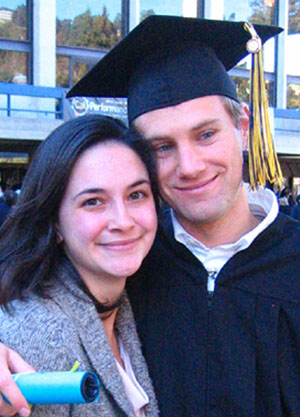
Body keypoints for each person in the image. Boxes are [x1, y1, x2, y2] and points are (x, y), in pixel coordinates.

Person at [2, 15, 300, 417]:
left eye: (206, 134)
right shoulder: (130, 261)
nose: (190, 165)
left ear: (242, 126)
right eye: (161, 147)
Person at [0, 114, 160, 417]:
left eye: (136, 195)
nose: (123, 221)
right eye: (93, 202)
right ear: (55, 222)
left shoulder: (130, 306)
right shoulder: (37, 337)